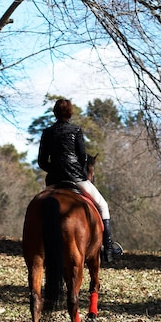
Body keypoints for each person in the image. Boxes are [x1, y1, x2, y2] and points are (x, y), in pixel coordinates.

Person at [38, 98, 122, 262]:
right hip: (76, 178)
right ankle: (109, 248)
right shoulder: (76, 130)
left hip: (54, 181)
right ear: (70, 113)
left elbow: (41, 161)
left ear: (55, 113)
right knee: (103, 205)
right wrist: (74, 170)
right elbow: (83, 157)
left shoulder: (47, 132)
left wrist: (55, 170)